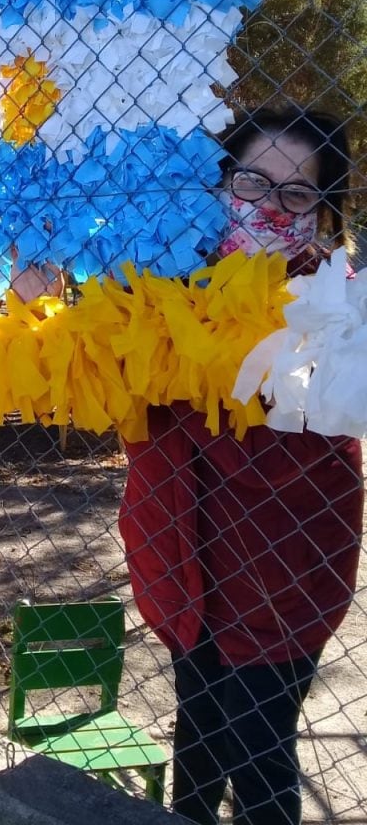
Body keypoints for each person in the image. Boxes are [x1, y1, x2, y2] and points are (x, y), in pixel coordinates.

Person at [119, 107, 364, 825]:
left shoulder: (335, 308)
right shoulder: (171, 281)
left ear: (323, 211)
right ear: (221, 184)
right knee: (197, 740)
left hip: (279, 571)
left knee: (259, 756)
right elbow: (102, 403)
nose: (269, 207)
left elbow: (298, 448)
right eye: (252, 183)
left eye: (296, 194)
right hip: (181, 562)